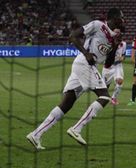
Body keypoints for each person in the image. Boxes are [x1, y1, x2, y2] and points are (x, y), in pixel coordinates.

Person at [26, 8, 124, 150]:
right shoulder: (98, 25)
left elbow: (108, 63)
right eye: (121, 18)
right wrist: (86, 53)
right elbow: (72, 36)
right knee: (105, 97)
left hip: (87, 67)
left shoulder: (113, 36)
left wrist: (114, 45)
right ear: (114, 18)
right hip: (84, 63)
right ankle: (77, 129)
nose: (123, 21)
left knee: (66, 104)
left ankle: (36, 134)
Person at [102, 28, 127, 106]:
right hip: (108, 67)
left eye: (118, 32)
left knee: (120, 81)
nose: (116, 34)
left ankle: (113, 98)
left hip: (117, 66)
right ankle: (105, 98)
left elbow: (123, 55)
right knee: (104, 87)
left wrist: (122, 58)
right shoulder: (107, 42)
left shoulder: (123, 44)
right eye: (115, 32)